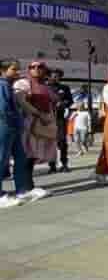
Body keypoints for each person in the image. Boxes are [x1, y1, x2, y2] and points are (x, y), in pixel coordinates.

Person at [0, 59, 48, 207]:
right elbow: (3, 110)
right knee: (2, 159)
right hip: (5, 127)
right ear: (2, 70)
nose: (17, 72)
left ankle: (22, 190)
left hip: (14, 128)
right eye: (14, 69)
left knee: (20, 158)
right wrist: (14, 122)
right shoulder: (1, 85)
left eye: (18, 69)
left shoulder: (8, 85)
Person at [13, 61, 57, 194]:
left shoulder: (44, 86)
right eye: (33, 67)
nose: (37, 69)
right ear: (29, 70)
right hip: (27, 123)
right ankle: (25, 188)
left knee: (33, 155)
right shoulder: (23, 83)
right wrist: (39, 114)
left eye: (40, 67)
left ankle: (29, 186)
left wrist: (49, 119)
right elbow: (22, 102)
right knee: (26, 154)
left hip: (41, 123)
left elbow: (52, 102)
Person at [47, 68, 73, 173]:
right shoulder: (45, 88)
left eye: (57, 76)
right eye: (52, 75)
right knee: (50, 143)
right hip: (47, 119)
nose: (55, 77)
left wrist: (63, 103)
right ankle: (52, 165)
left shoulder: (65, 88)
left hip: (60, 118)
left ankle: (64, 164)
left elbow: (70, 101)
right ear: (48, 76)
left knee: (62, 141)